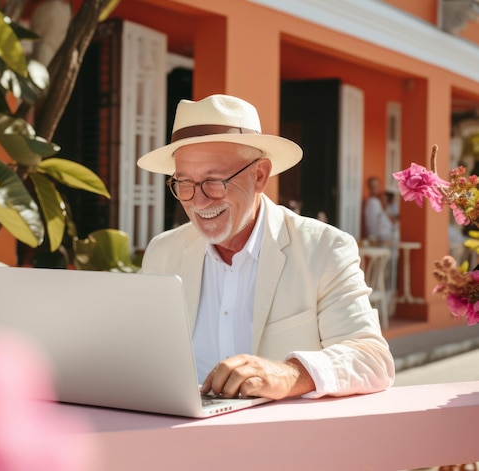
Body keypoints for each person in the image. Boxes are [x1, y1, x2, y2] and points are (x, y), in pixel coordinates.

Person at [136, 94, 394, 401]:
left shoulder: (324, 249)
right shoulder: (162, 252)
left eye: (214, 181)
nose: (198, 201)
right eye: (184, 183)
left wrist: (290, 374)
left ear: (259, 176)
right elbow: (139, 352)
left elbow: (372, 359)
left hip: (282, 443)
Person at [364, 176, 396, 244]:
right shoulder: (372, 203)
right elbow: (373, 223)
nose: (375, 189)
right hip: (377, 238)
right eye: (373, 187)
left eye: (376, 186)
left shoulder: (380, 203)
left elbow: (392, 221)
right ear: (369, 187)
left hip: (387, 237)